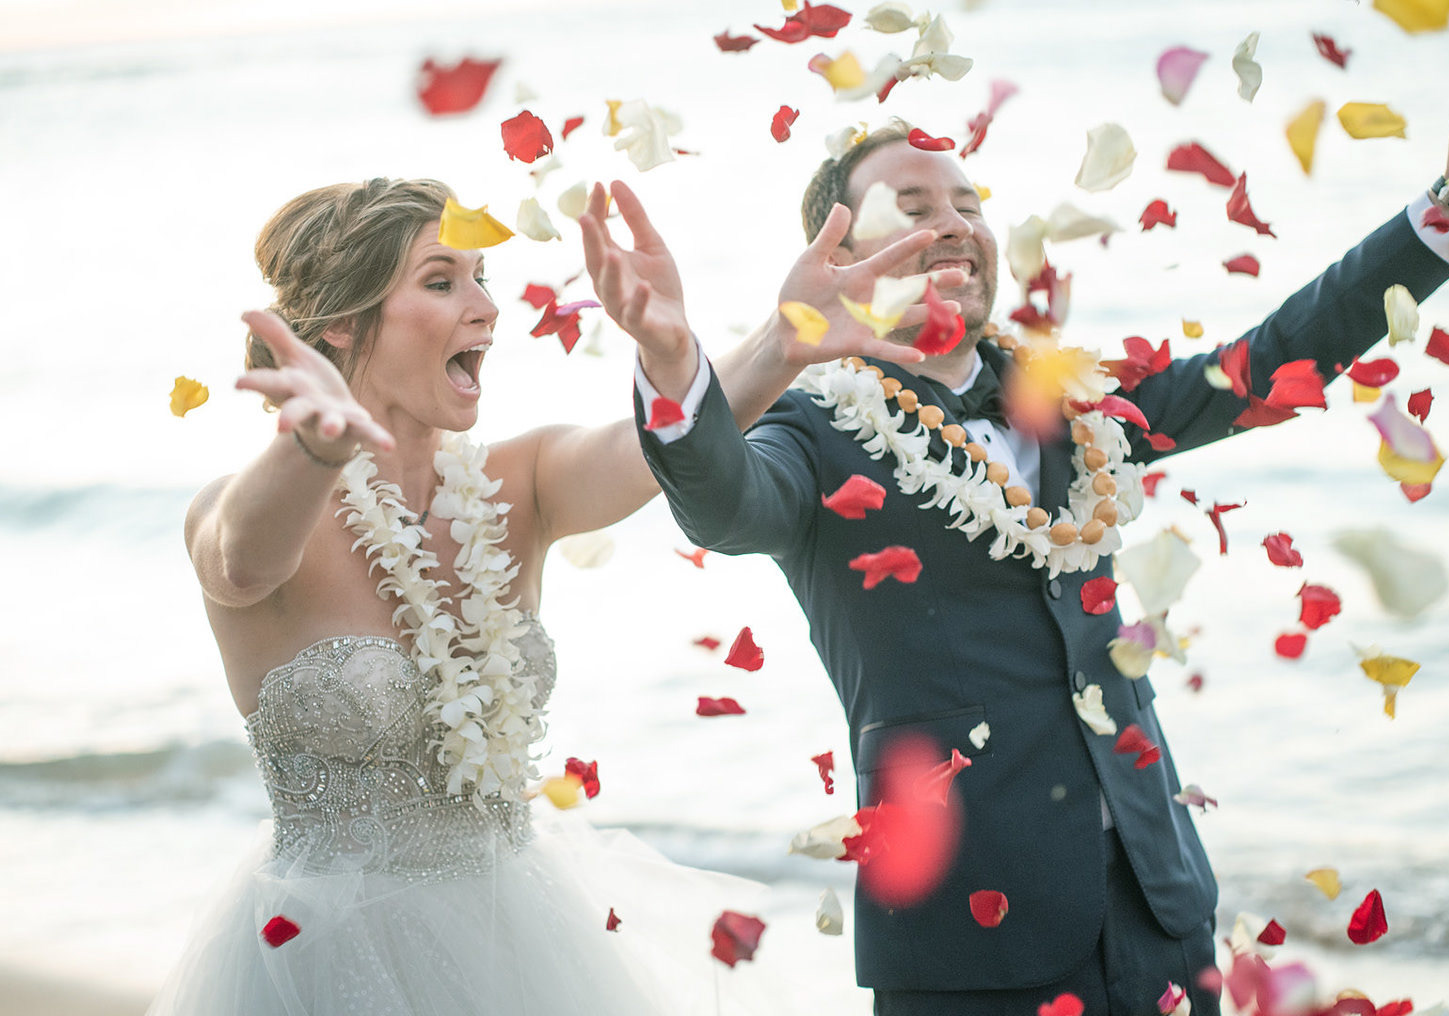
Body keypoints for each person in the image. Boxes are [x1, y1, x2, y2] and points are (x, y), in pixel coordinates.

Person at [586, 51, 1449, 1016]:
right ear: (837, 257)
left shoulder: (1073, 403)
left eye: (968, 203)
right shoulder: (813, 431)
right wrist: (678, 367)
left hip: (1160, 907)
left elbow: (1268, 361)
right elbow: (721, 502)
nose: (955, 224)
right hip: (966, 936)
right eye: (915, 207)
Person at [146, 176, 937, 1015]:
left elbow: (656, 448)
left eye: (482, 277)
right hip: (326, 958)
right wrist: (313, 447)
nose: (486, 307)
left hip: (519, 937)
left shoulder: (520, 481)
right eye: (442, 281)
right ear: (342, 321)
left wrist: (781, 340)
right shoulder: (243, 511)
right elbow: (240, 564)